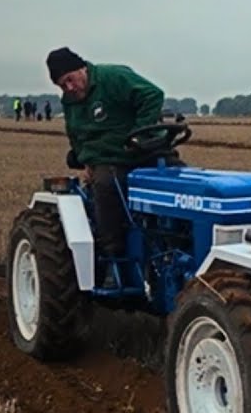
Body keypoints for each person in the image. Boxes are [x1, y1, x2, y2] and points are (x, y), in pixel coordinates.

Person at [46, 46, 177, 259]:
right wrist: (85, 159)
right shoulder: (70, 101)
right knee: (106, 185)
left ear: (82, 69)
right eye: (62, 85)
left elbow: (152, 95)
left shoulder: (113, 77)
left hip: (144, 151)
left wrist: (140, 134)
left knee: (179, 177)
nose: (69, 87)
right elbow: (75, 133)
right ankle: (112, 257)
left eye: (70, 79)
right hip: (110, 160)